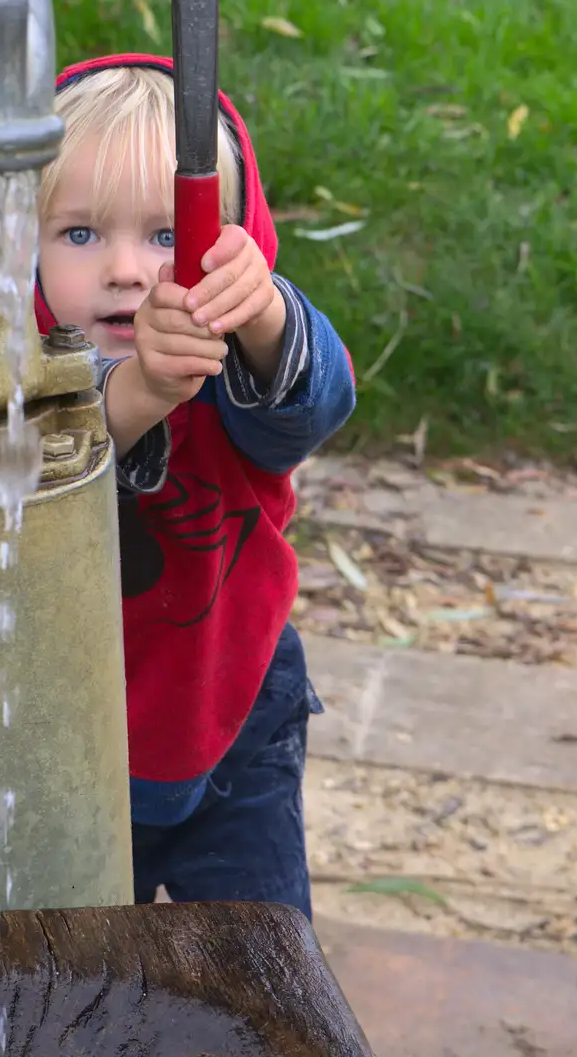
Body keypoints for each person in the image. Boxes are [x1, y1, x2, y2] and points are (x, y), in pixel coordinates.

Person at [34, 54, 355, 916]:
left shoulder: (236, 357)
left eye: (168, 235)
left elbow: (310, 409)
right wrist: (134, 394)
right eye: (79, 234)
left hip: (238, 698)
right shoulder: (14, 367)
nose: (129, 271)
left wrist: (264, 314)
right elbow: (38, 465)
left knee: (265, 956)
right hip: (63, 736)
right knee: (79, 972)